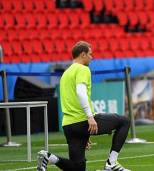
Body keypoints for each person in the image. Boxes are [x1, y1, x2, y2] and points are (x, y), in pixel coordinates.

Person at [37, 41, 131, 171]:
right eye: (90, 54)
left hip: (69, 125)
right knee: (124, 121)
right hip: (83, 121)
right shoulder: (82, 69)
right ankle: (112, 163)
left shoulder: (66, 73)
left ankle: (49, 157)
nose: (92, 57)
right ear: (83, 54)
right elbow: (81, 93)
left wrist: (84, 134)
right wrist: (90, 117)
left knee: (77, 168)